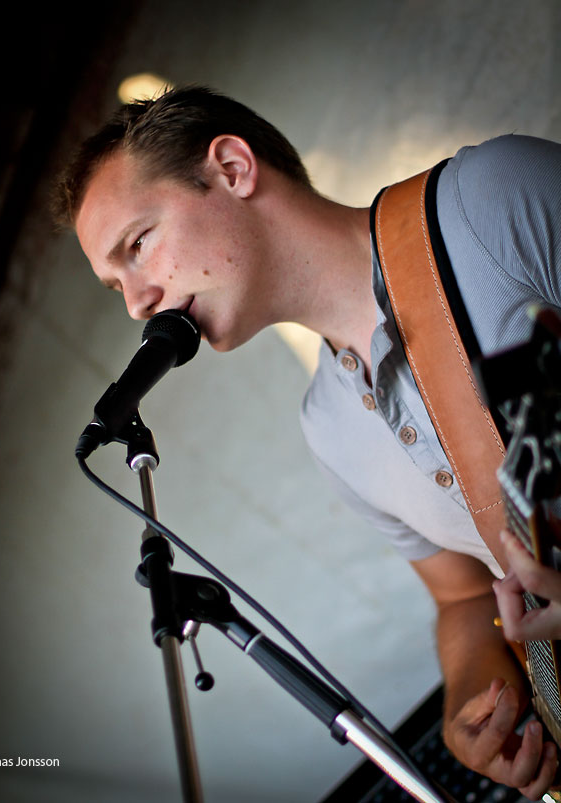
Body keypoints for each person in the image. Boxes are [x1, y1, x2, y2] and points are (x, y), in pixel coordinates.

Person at [52, 85, 561, 799]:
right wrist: (468, 707)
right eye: (117, 287)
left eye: (138, 246)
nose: (138, 304)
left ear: (232, 169)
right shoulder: (329, 429)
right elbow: (463, 597)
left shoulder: (490, 202)